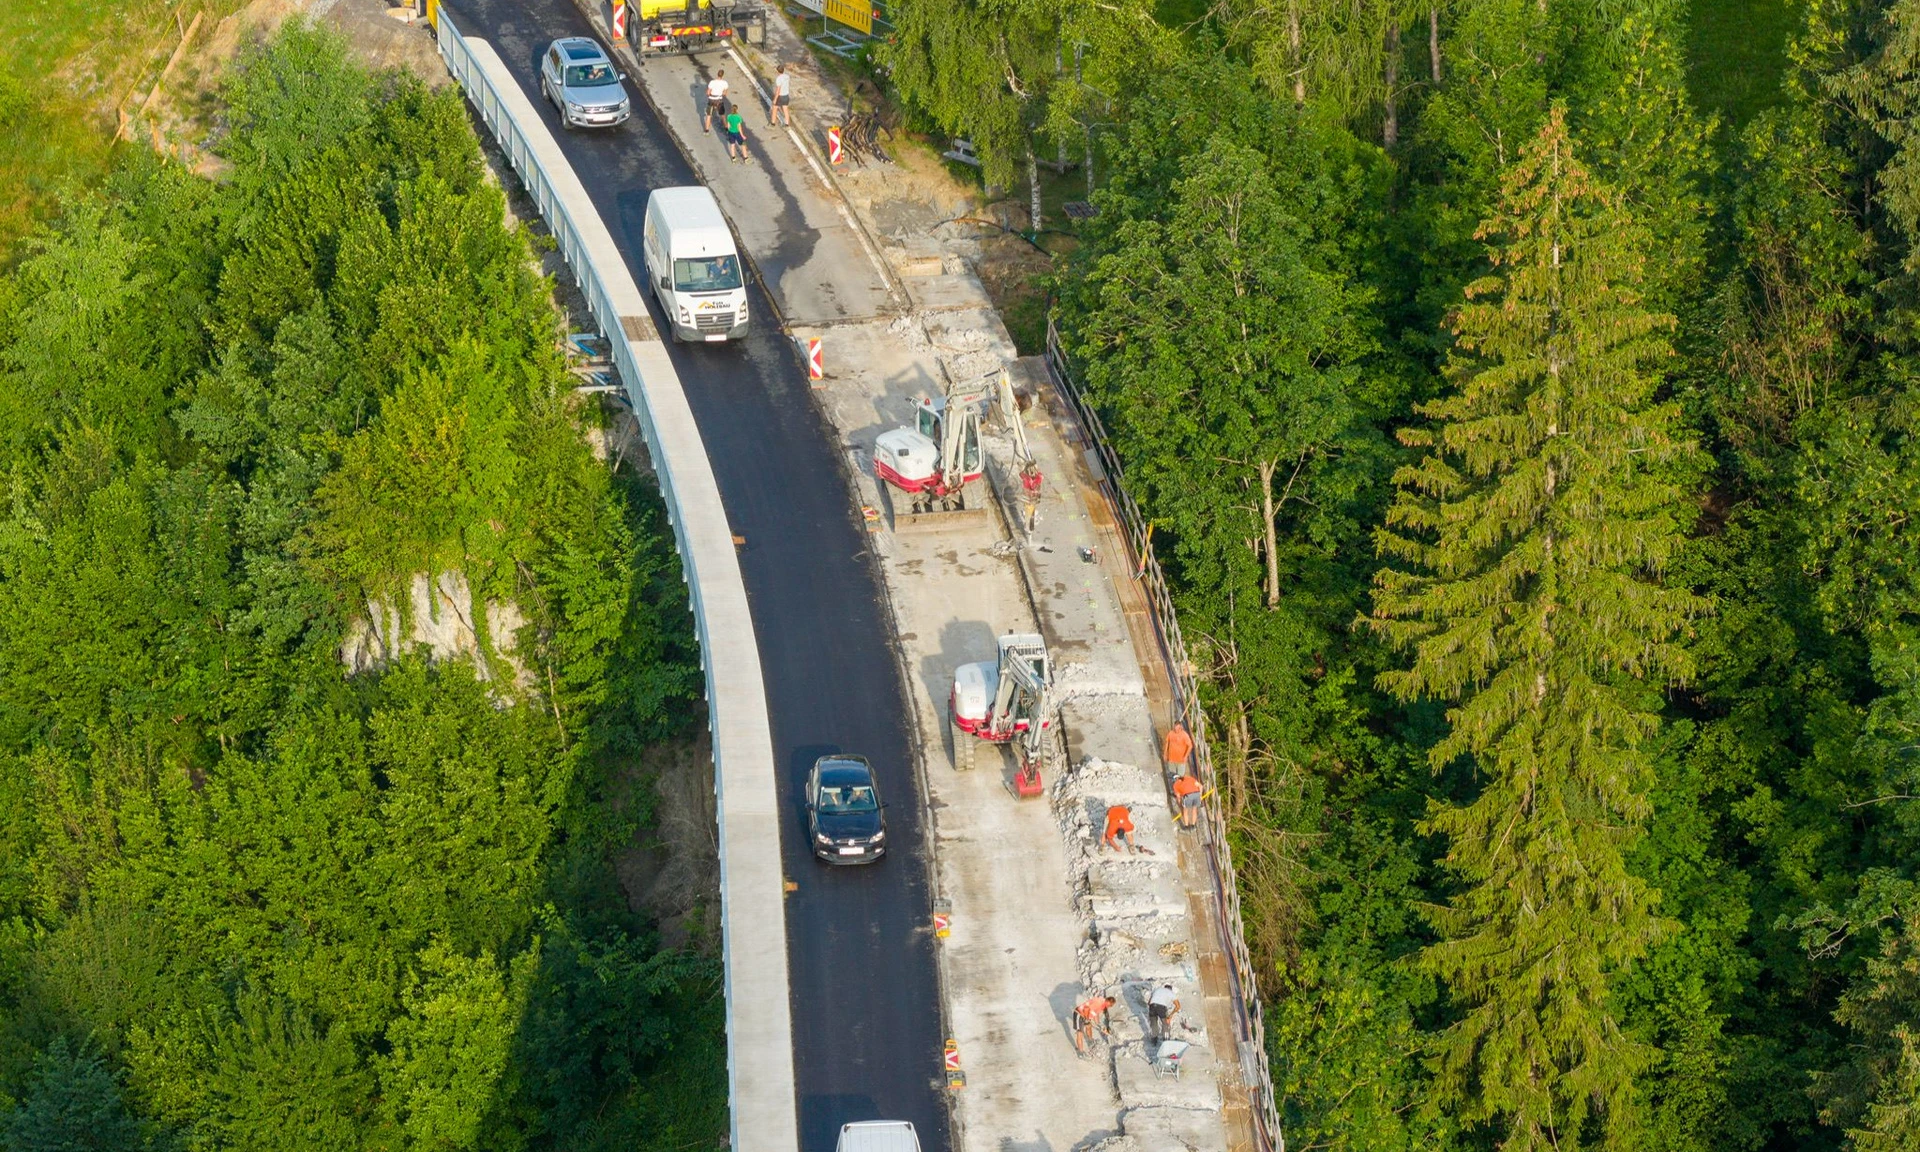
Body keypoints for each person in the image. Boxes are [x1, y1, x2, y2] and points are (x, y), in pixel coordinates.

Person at [703, 69, 729, 133]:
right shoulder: (725, 83)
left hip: (711, 100)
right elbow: (725, 93)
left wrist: (711, 94)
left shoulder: (712, 82)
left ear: (717, 74)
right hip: (719, 100)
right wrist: (720, 93)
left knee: (709, 115)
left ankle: (706, 130)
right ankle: (726, 128)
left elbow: (708, 92)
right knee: (722, 114)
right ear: (722, 75)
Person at [769, 61, 792, 127]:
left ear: (777, 71)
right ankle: (787, 124)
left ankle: (773, 123)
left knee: (774, 108)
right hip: (786, 96)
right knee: (785, 109)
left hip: (780, 96)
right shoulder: (787, 76)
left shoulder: (778, 79)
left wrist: (775, 99)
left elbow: (778, 90)